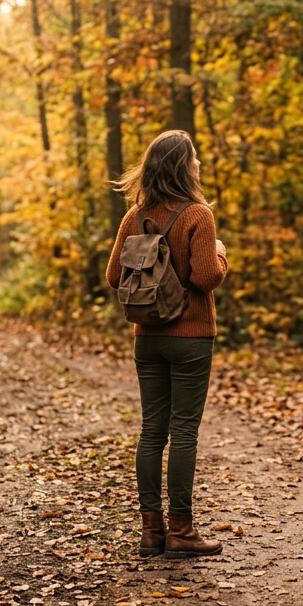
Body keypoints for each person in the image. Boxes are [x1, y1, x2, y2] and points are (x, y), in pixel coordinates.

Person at [106, 130, 228, 559]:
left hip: (147, 339)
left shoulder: (134, 217)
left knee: (151, 431)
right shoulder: (198, 214)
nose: (198, 164)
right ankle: (182, 531)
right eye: (194, 158)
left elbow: (114, 279)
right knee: (184, 432)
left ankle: (151, 531)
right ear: (183, 165)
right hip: (191, 337)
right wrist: (220, 254)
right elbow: (205, 278)